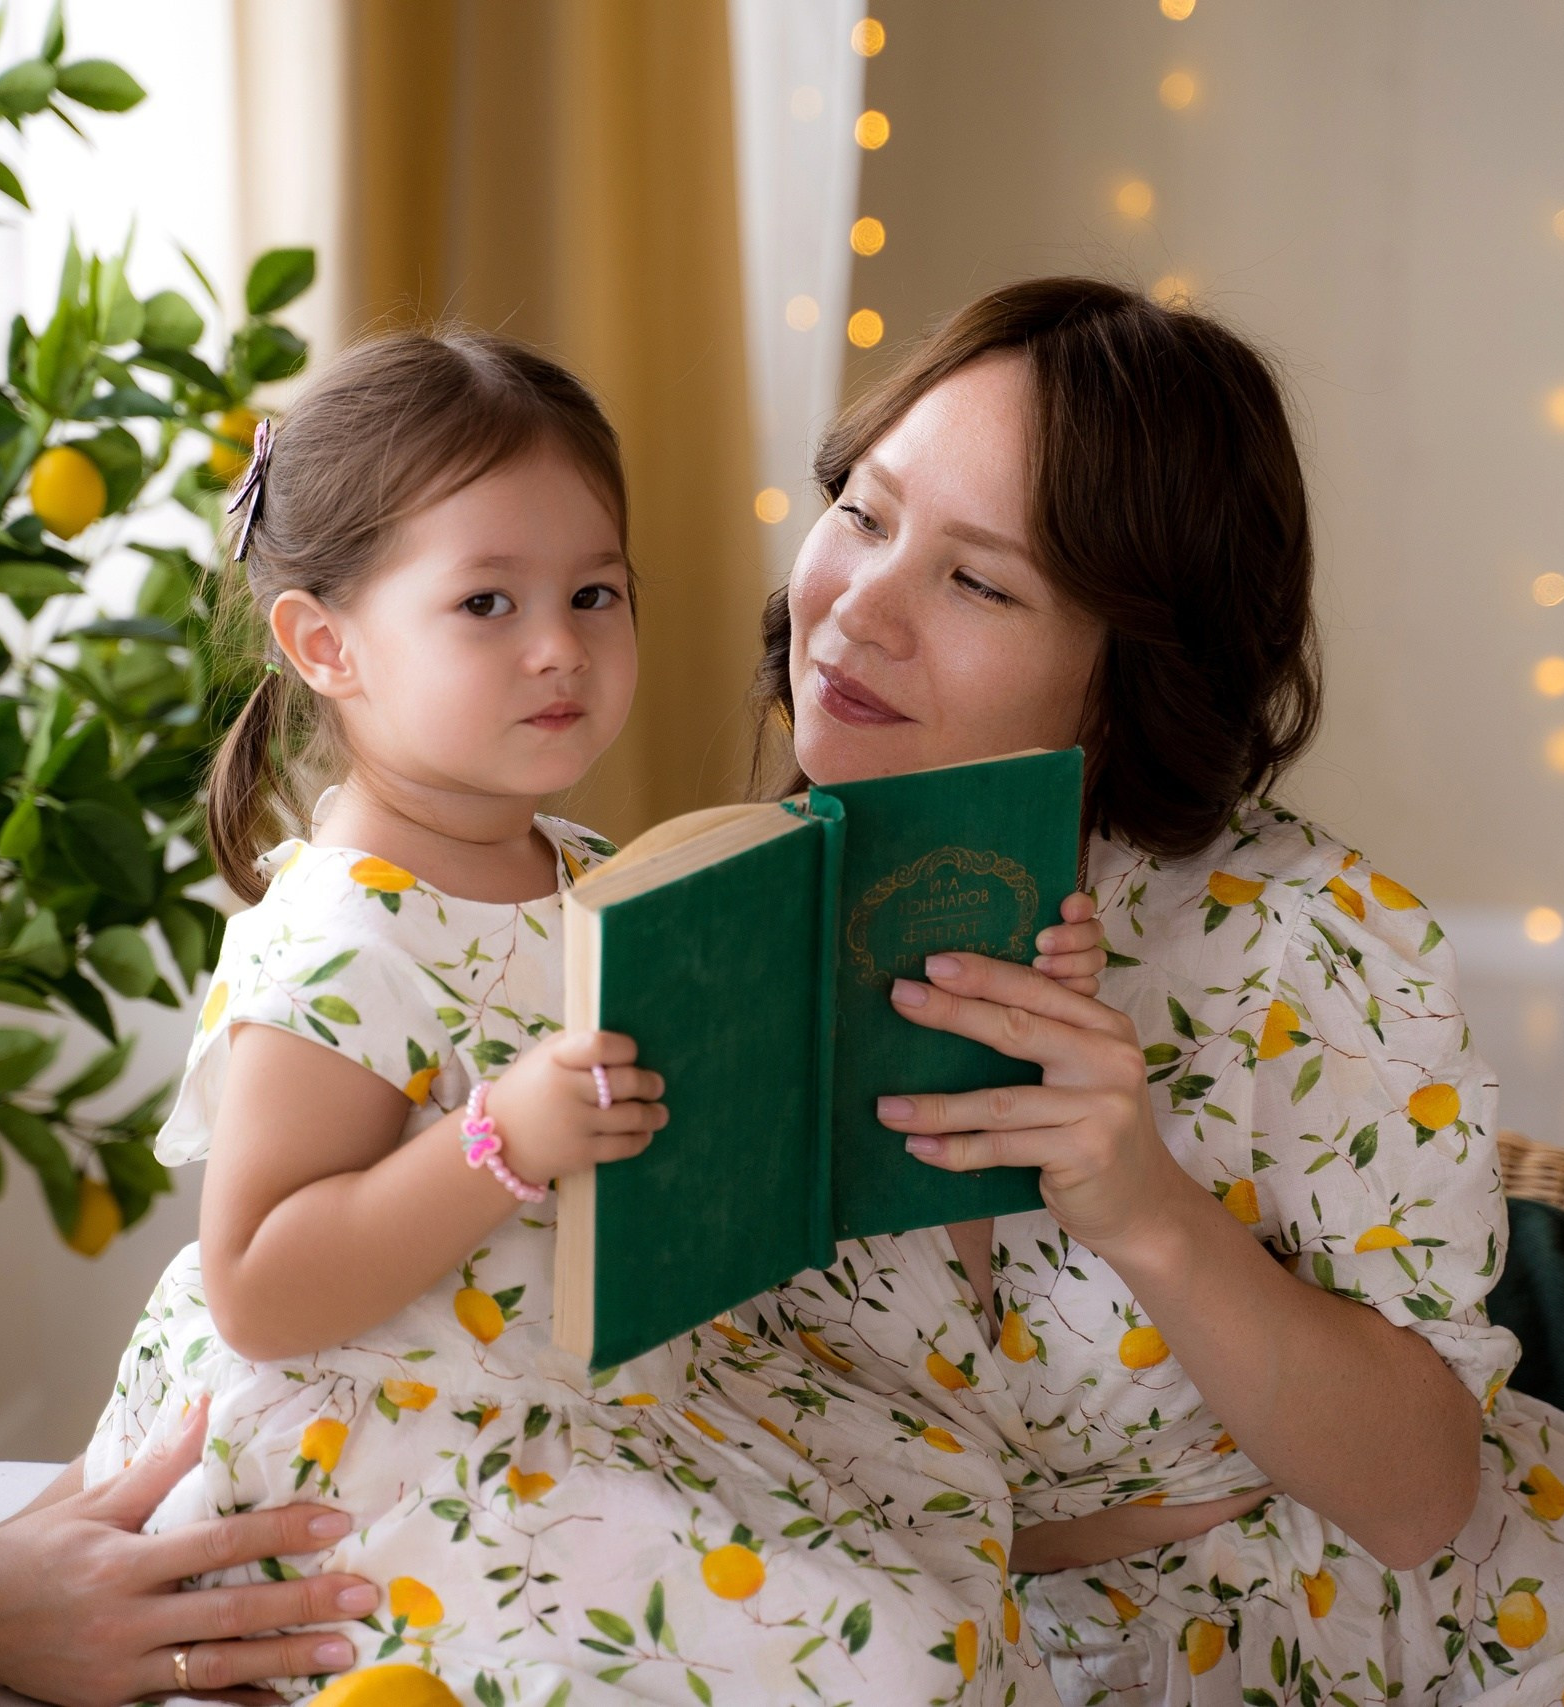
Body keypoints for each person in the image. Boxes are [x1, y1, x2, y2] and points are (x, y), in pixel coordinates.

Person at [0, 280, 1564, 1707]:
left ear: (1132, 664)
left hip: (1317, 1645)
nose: (855, 615)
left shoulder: (1318, 947)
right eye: (860, 515)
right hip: (817, 1632)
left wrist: (1147, 1209)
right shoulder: (723, 885)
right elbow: (364, 1330)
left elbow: (1422, 1499)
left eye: (975, 581)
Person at [66, 328, 1106, 1703]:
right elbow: (259, 1284)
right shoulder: (341, 941)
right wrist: (498, 1139)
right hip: (392, 1445)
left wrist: (994, 979)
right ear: (328, 645)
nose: (559, 647)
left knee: (932, 1585)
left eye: (595, 593)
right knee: (882, 1660)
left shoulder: (581, 868)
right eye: (487, 603)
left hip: (581, 1391)